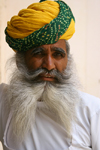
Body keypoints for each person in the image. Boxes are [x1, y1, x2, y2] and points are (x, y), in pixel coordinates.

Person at [0, 0, 100, 149]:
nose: (49, 65)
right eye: (38, 53)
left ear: (68, 61)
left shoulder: (92, 111)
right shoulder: (3, 102)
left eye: (58, 54)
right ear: (20, 62)